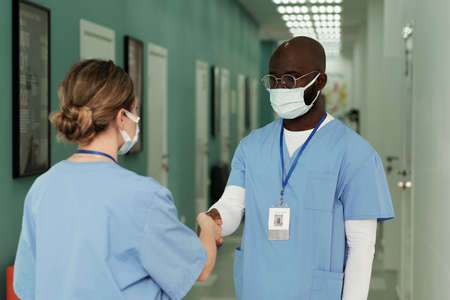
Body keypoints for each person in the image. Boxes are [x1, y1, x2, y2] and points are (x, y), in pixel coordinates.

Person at [204, 37, 395, 300]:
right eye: (273, 79)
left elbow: (362, 246)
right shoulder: (252, 146)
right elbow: (232, 205)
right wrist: (213, 219)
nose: (280, 88)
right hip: (257, 287)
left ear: (320, 82)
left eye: (291, 79)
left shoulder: (355, 154)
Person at [13, 60, 221, 300]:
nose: (136, 118)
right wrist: (206, 225)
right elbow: (201, 268)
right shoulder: (143, 196)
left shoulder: (43, 187)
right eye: (135, 110)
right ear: (122, 116)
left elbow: (27, 285)